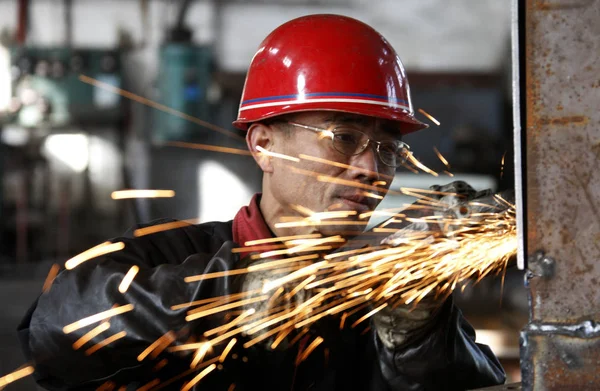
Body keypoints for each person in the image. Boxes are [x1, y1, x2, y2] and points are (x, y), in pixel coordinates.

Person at [18, 14, 506, 390]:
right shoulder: (168, 255)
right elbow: (54, 330)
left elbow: (466, 380)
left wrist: (419, 332)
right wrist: (252, 291)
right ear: (264, 145)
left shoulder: (382, 292)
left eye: (387, 149)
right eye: (341, 136)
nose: (371, 169)